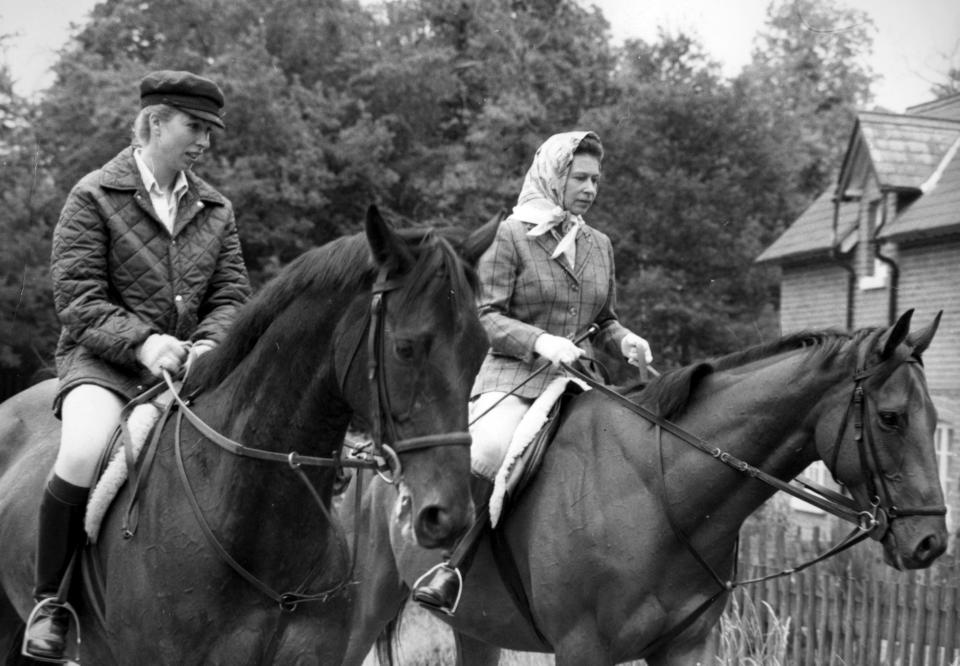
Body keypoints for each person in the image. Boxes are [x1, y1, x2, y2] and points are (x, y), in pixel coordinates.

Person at [23, 70, 251, 660]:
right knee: (82, 451)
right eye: (194, 127)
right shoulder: (92, 196)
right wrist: (145, 343)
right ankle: (53, 602)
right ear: (154, 123)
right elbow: (78, 299)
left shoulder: (216, 207)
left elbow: (230, 297)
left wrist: (207, 345)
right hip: (104, 365)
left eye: (210, 131)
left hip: (190, 370)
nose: (205, 142)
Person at [412, 130, 652, 614]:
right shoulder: (510, 236)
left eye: (595, 179)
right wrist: (540, 341)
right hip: (514, 380)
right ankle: (454, 564)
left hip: (579, 385)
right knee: (491, 448)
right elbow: (486, 316)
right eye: (579, 177)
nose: (590, 188)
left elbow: (603, 320)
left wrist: (624, 340)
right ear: (553, 175)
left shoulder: (598, 244)